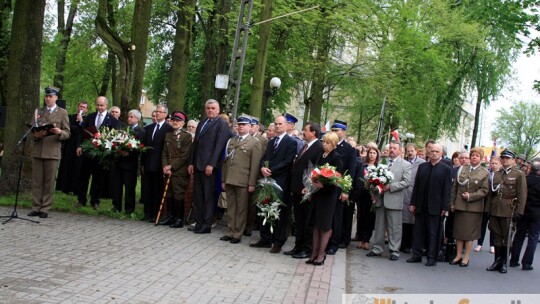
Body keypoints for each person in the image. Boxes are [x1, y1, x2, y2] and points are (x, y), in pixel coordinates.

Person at [250, 115, 297, 253]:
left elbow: (288, 161)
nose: (277, 126)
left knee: (279, 212)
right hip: (267, 180)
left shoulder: (291, 142)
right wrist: (262, 167)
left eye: (280, 124)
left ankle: (278, 241)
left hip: (281, 182)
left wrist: (271, 170)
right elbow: (265, 158)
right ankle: (265, 239)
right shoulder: (271, 142)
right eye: (275, 124)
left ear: (287, 125)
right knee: (264, 208)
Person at [188, 99, 231, 234]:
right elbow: (195, 145)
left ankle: (207, 224)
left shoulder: (222, 124)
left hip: (209, 167)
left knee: (208, 196)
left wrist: (211, 164)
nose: (210, 110)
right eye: (208, 108)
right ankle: (199, 222)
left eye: (213, 108)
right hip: (198, 164)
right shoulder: (201, 123)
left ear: (218, 110)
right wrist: (191, 162)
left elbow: (219, 146)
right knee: (198, 195)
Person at [27, 86, 70, 218]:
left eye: (50, 96)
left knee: (49, 181)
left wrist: (59, 132)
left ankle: (45, 208)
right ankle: (36, 206)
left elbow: (67, 133)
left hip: (52, 152)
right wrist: (36, 135)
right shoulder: (38, 112)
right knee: (37, 181)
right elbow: (31, 130)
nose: (48, 98)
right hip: (38, 151)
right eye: (46, 96)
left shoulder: (62, 113)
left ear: (56, 98)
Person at [407, 143, 452, 266]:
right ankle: (416, 254)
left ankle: (432, 257)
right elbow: (416, 186)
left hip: (436, 207)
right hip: (421, 205)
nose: (434, 153)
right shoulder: (422, 167)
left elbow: (447, 190)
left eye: (437, 151)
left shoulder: (446, 169)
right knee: (418, 231)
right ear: (428, 153)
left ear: (441, 154)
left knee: (433, 233)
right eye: (432, 151)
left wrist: (445, 207)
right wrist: (413, 203)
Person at [220, 116, 262, 243]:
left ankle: (238, 234)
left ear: (250, 127)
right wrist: (223, 179)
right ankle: (230, 231)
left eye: (244, 124)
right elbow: (226, 162)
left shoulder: (254, 143)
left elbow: (255, 165)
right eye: (239, 124)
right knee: (231, 208)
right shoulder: (232, 140)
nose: (241, 126)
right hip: (229, 179)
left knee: (242, 209)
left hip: (243, 181)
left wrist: (252, 183)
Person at [367, 141, 411, 261]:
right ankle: (377, 248)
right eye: (390, 148)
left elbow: (406, 182)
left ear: (400, 150)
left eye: (394, 148)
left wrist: (390, 187)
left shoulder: (405, 165)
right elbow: (374, 179)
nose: (391, 150)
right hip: (380, 199)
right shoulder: (382, 162)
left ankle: (394, 250)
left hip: (394, 200)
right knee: (379, 225)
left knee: (394, 227)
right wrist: (374, 192)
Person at [287, 122, 324, 258]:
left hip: (307, 191)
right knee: (299, 220)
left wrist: (309, 188)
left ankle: (307, 249)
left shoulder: (318, 147)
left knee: (307, 221)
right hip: (298, 189)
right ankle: (298, 246)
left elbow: (316, 169)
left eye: (306, 130)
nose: (303, 132)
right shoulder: (305, 145)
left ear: (313, 132)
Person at [486, 149, 526, 273]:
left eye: (507, 158)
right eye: (502, 158)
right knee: (496, 236)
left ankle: (504, 261)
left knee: (506, 237)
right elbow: (491, 194)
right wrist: (488, 209)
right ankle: (497, 260)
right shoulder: (497, 174)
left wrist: (519, 212)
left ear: (513, 160)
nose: (504, 160)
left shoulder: (519, 175)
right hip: (495, 208)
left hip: (509, 209)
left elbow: (522, 195)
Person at [305, 132, 343, 266]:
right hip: (317, 194)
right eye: (323, 142)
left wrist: (324, 184)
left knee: (325, 226)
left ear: (333, 144)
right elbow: (314, 171)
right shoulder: (320, 155)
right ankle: (314, 253)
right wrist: (311, 185)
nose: (324, 144)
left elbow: (337, 179)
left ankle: (322, 254)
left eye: (327, 143)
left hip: (328, 196)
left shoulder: (337, 158)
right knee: (316, 224)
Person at [449, 147, 489, 267]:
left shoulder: (484, 172)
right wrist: (452, 203)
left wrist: (471, 196)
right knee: (459, 232)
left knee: (469, 234)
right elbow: (455, 188)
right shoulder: (462, 169)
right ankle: (458, 255)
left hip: (473, 207)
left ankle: (466, 257)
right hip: (460, 205)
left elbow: (484, 190)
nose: (474, 157)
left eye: (477, 155)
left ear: (481, 158)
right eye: (472, 155)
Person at [76, 96, 119, 209]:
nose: (99, 107)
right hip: (88, 152)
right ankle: (81, 199)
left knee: (98, 178)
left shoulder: (112, 120)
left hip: (101, 154)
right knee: (83, 176)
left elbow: (114, 137)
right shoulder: (90, 117)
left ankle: (95, 201)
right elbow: (82, 131)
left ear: (106, 106)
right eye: (97, 105)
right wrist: (79, 145)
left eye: (102, 105)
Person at [327, 120, 356, 254]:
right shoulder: (329, 146)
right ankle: (325, 241)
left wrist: (346, 190)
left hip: (339, 187)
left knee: (337, 217)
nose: (334, 133)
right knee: (327, 216)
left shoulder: (348, 149)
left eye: (336, 131)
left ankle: (334, 243)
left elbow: (350, 171)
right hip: (327, 186)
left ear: (343, 132)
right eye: (332, 130)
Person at [159, 111, 192, 228]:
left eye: (178, 121)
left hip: (179, 172)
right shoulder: (168, 135)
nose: (175, 122)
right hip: (168, 170)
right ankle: (170, 217)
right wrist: (165, 166)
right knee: (169, 194)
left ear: (183, 123)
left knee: (178, 195)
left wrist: (171, 166)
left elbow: (184, 156)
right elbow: (164, 153)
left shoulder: (186, 136)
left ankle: (179, 219)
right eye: (173, 120)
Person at [140, 104, 173, 221]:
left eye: (160, 112)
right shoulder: (148, 128)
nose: (157, 113)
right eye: (156, 111)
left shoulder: (169, 129)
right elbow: (144, 147)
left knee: (157, 190)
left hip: (159, 165)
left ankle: (155, 214)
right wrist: (142, 164)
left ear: (165, 114)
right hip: (148, 163)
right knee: (147, 189)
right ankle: (147, 212)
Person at [110, 109, 145, 214]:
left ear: (137, 119)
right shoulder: (123, 129)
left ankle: (129, 209)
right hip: (119, 161)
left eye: (132, 117)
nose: (129, 118)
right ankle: (116, 206)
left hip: (130, 164)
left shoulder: (141, 131)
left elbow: (140, 146)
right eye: (128, 116)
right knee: (117, 186)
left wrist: (130, 153)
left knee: (129, 188)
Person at [509, 158, 540, 270]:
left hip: (523, 210)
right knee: (533, 237)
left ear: (530, 168)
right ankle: (527, 263)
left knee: (519, 235)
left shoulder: (524, 179)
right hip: (536, 212)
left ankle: (514, 260)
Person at [56, 101, 88, 194]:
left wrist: (81, 122)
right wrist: (78, 127)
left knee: (78, 167)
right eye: (80, 106)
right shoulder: (70, 117)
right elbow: (69, 129)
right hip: (69, 144)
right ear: (77, 107)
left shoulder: (87, 119)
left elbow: (86, 131)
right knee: (67, 164)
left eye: (84, 107)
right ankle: (64, 187)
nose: (82, 108)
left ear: (86, 109)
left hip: (80, 144)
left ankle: (75, 189)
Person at [351, 147, 379, 250]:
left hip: (373, 196)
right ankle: (360, 238)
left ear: (377, 155)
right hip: (362, 195)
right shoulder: (362, 165)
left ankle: (367, 239)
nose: (372, 155)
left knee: (370, 218)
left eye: (374, 153)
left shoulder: (379, 167)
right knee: (361, 216)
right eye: (370, 153)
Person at [401, 143, 426, 254]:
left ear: (416, 151)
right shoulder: (403, 162)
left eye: (412, 151)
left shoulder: (422, 163)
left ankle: (411, 244)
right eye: (408, 151)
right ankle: (403, 244)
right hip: (404, 193)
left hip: (415, 193)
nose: (410, 153)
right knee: (403, 220)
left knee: (413, 220)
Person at [476, 156, 500, 253]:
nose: (493, 165)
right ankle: (479, 243)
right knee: (482, 224)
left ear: (500, 164)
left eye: (496, 163)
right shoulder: (487, 174)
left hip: (495, 203)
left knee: (493, 226)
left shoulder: (501, 175)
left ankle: (492, 245)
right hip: (486, 202)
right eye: (492, 163)